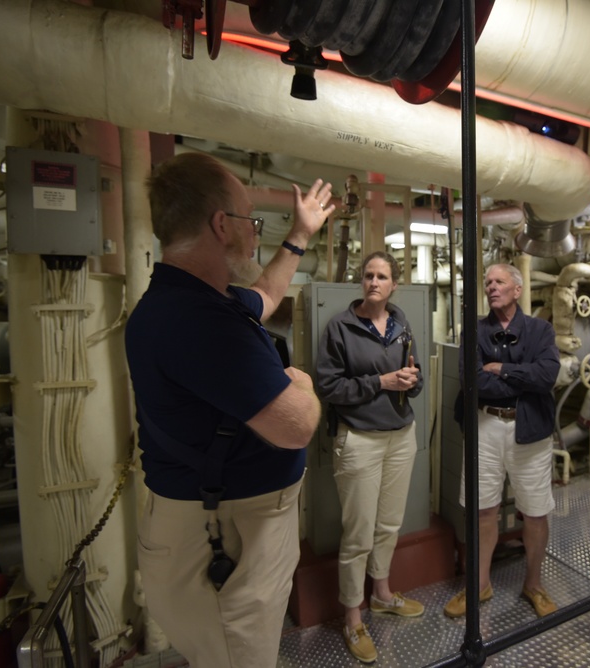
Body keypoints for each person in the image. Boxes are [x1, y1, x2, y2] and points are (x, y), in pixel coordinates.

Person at [126, 152, 334, 668]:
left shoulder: (194, 300)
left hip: (223, 528)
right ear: (221, 225)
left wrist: (301, 235)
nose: (255, 233)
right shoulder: (199, 322)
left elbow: (265, 292)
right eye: (250, 221)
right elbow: (297, 425)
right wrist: (300, 382)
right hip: (223, 539)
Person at [315, 251, 425, 664]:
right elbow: (328, 387)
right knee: (358, 533)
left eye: (382, 276)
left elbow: (412, 379)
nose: (374, 282)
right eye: (368, 276)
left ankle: (381, 594)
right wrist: (381, 381)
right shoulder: (339, 327)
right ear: (360, 282)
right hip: (359, 439)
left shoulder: (400, 323)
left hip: (401, 436)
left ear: (394, 284)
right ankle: (352, 616)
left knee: (388, 524)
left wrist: (411, 381)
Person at [444, 263, 560, 619]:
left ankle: (534, 584)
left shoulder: (541, 330)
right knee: (483, 512)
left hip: (530, 431)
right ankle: (479, 585)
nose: (491, 287)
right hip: (485, 426)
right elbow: (473, 382)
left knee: (536, 512)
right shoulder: (475, 331)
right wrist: (519, 379)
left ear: (517, 289)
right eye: (488, 282)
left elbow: (547, 375)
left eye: (499, 282)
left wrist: (505, 369)